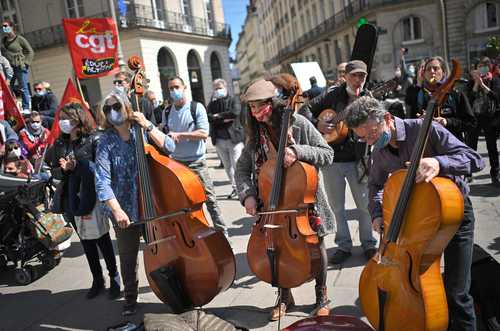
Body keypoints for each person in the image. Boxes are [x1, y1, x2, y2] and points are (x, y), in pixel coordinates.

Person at [344, 95, 484, 331]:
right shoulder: (379, 151)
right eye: (362, 138)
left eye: (371, 134)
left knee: (456, 291)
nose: (369, 142)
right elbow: (375, 185)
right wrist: (377, 213)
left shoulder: (424, 129)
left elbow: (475, 159)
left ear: (387, 118)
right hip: (413, 219)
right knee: (421, 284)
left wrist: (440, 163)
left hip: (452, 215)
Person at [235, 76, 335, 320]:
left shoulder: (298, 123)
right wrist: (247, 195)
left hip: (304, 201)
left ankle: (321, 295)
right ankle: (285, 297)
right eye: (251, 107)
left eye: (259, 106)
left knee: (316, 246)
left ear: (273, 102)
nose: (255, 112)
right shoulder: (255, 134)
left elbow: (327, 153)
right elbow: (241, 169)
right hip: (271, 203)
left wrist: (297, 151)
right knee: (276, 248)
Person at [299, 60, 377, 264]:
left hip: (359, 158)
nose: (359, 80)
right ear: (346, 77)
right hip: (332, 158)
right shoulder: (333, 94)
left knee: (364, 205)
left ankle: (369, 243)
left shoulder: (368, 96)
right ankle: (344, 245)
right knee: (337, 206)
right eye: (355, 76)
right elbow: (304, 110)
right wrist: (318, 123)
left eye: (362, 76)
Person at [133, 76, 229, 236]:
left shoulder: (196, 107)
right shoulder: (167, 111)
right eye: (171, 88)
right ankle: (194, 234)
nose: (174, 91)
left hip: (196, 162)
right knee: (181, 204)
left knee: (210, 200)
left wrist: (181, 135)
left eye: (177, 87)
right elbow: (165, 135)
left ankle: (223, 234)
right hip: (176, 164)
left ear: (184, 88)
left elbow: (204, 133)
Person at [51, 102, 120, 300]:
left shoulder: (93, 139)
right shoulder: (59, 143)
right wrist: (64, 170)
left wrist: (78, 165)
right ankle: (97, 279)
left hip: (93, 197)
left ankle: (114, 277)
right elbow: (53, 170)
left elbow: (103, 169)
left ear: (77, 118)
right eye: (61, 118)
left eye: (67, 118)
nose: (63, 122)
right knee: (86, 242)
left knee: (101, 239)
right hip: (71, 199)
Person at [95, 92, 142, 316]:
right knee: (127, 257)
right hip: (124, 209)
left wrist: (149, 126)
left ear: (126, 105)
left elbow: (169, 147)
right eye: (107, 108)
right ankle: (131, 297)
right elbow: (102, 181)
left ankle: (174, 287)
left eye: (115, 105)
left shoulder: (140, 130)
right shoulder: (105, 141)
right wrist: (117, 209)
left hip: (153, 204)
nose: (112, 110)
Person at [405, 56, 476, 143]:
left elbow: (471, 123)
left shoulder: (455, 94)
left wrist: (447, 121)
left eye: (436, 68)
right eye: (428, 69)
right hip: (428, 148)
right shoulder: (418, 94)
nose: (432, 72)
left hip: (451, 146)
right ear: (424, 74)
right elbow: (408, 122)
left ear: (443, 72)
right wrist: (420, 121)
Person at [206, 78, 245, 199]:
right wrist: (222, 118)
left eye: (220, 88)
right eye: (216, 88)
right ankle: (235, 188)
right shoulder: (212, 104)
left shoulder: (233, 99)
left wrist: (218, 117)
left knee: (237, 165)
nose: (218, 90)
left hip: (234, 139)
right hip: (219, 140)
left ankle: (243, 190)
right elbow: (209, 117)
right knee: (228, 167)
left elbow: (235, 113)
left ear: (225, 88)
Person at [467, 56, 500, 187]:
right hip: (474, 118)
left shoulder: (495, 80)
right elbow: (469, 99)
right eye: (480, 65)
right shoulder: (471, 82)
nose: (483, 68)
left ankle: (495, 174)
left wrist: (483, 85)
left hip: (490, 118)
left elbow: (496, 97)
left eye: (485, 65)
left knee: (492, 147)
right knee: (471, 146)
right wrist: (476, 84)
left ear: (489, 67)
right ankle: (468, 173)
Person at [1, 19, 34, 112]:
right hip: (9, 68)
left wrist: (26, 63)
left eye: (6, 26)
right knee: (8, 86)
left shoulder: (19, 39)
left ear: (11, 27)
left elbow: (30, 51)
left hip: (20, 66)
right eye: (3, 26)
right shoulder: (3, 40)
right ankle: (12, 105)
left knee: (23, 87)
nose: (4, 28)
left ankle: (26, 107)